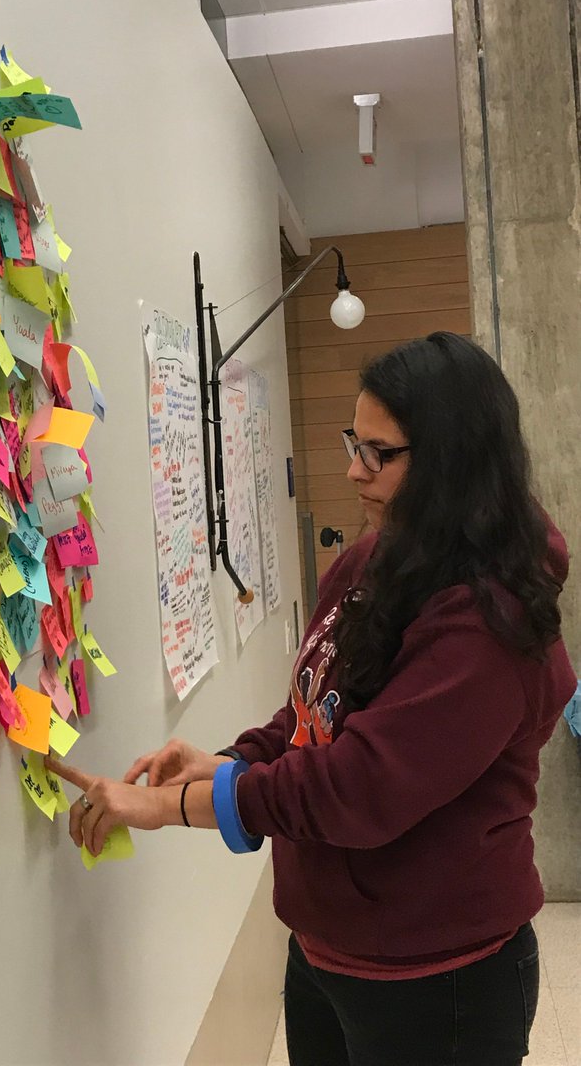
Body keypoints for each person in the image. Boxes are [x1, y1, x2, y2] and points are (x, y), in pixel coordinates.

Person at [47, 332, 576, 1066]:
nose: (353, 471)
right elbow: (313, 714)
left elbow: (358, 787)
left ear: (451, 464)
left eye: (378, 454)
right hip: (327, 953)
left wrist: (171, 808)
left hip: (439, 982)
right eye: (352, 442)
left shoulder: (490, 623)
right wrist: (227, 762)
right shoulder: (372, 559)